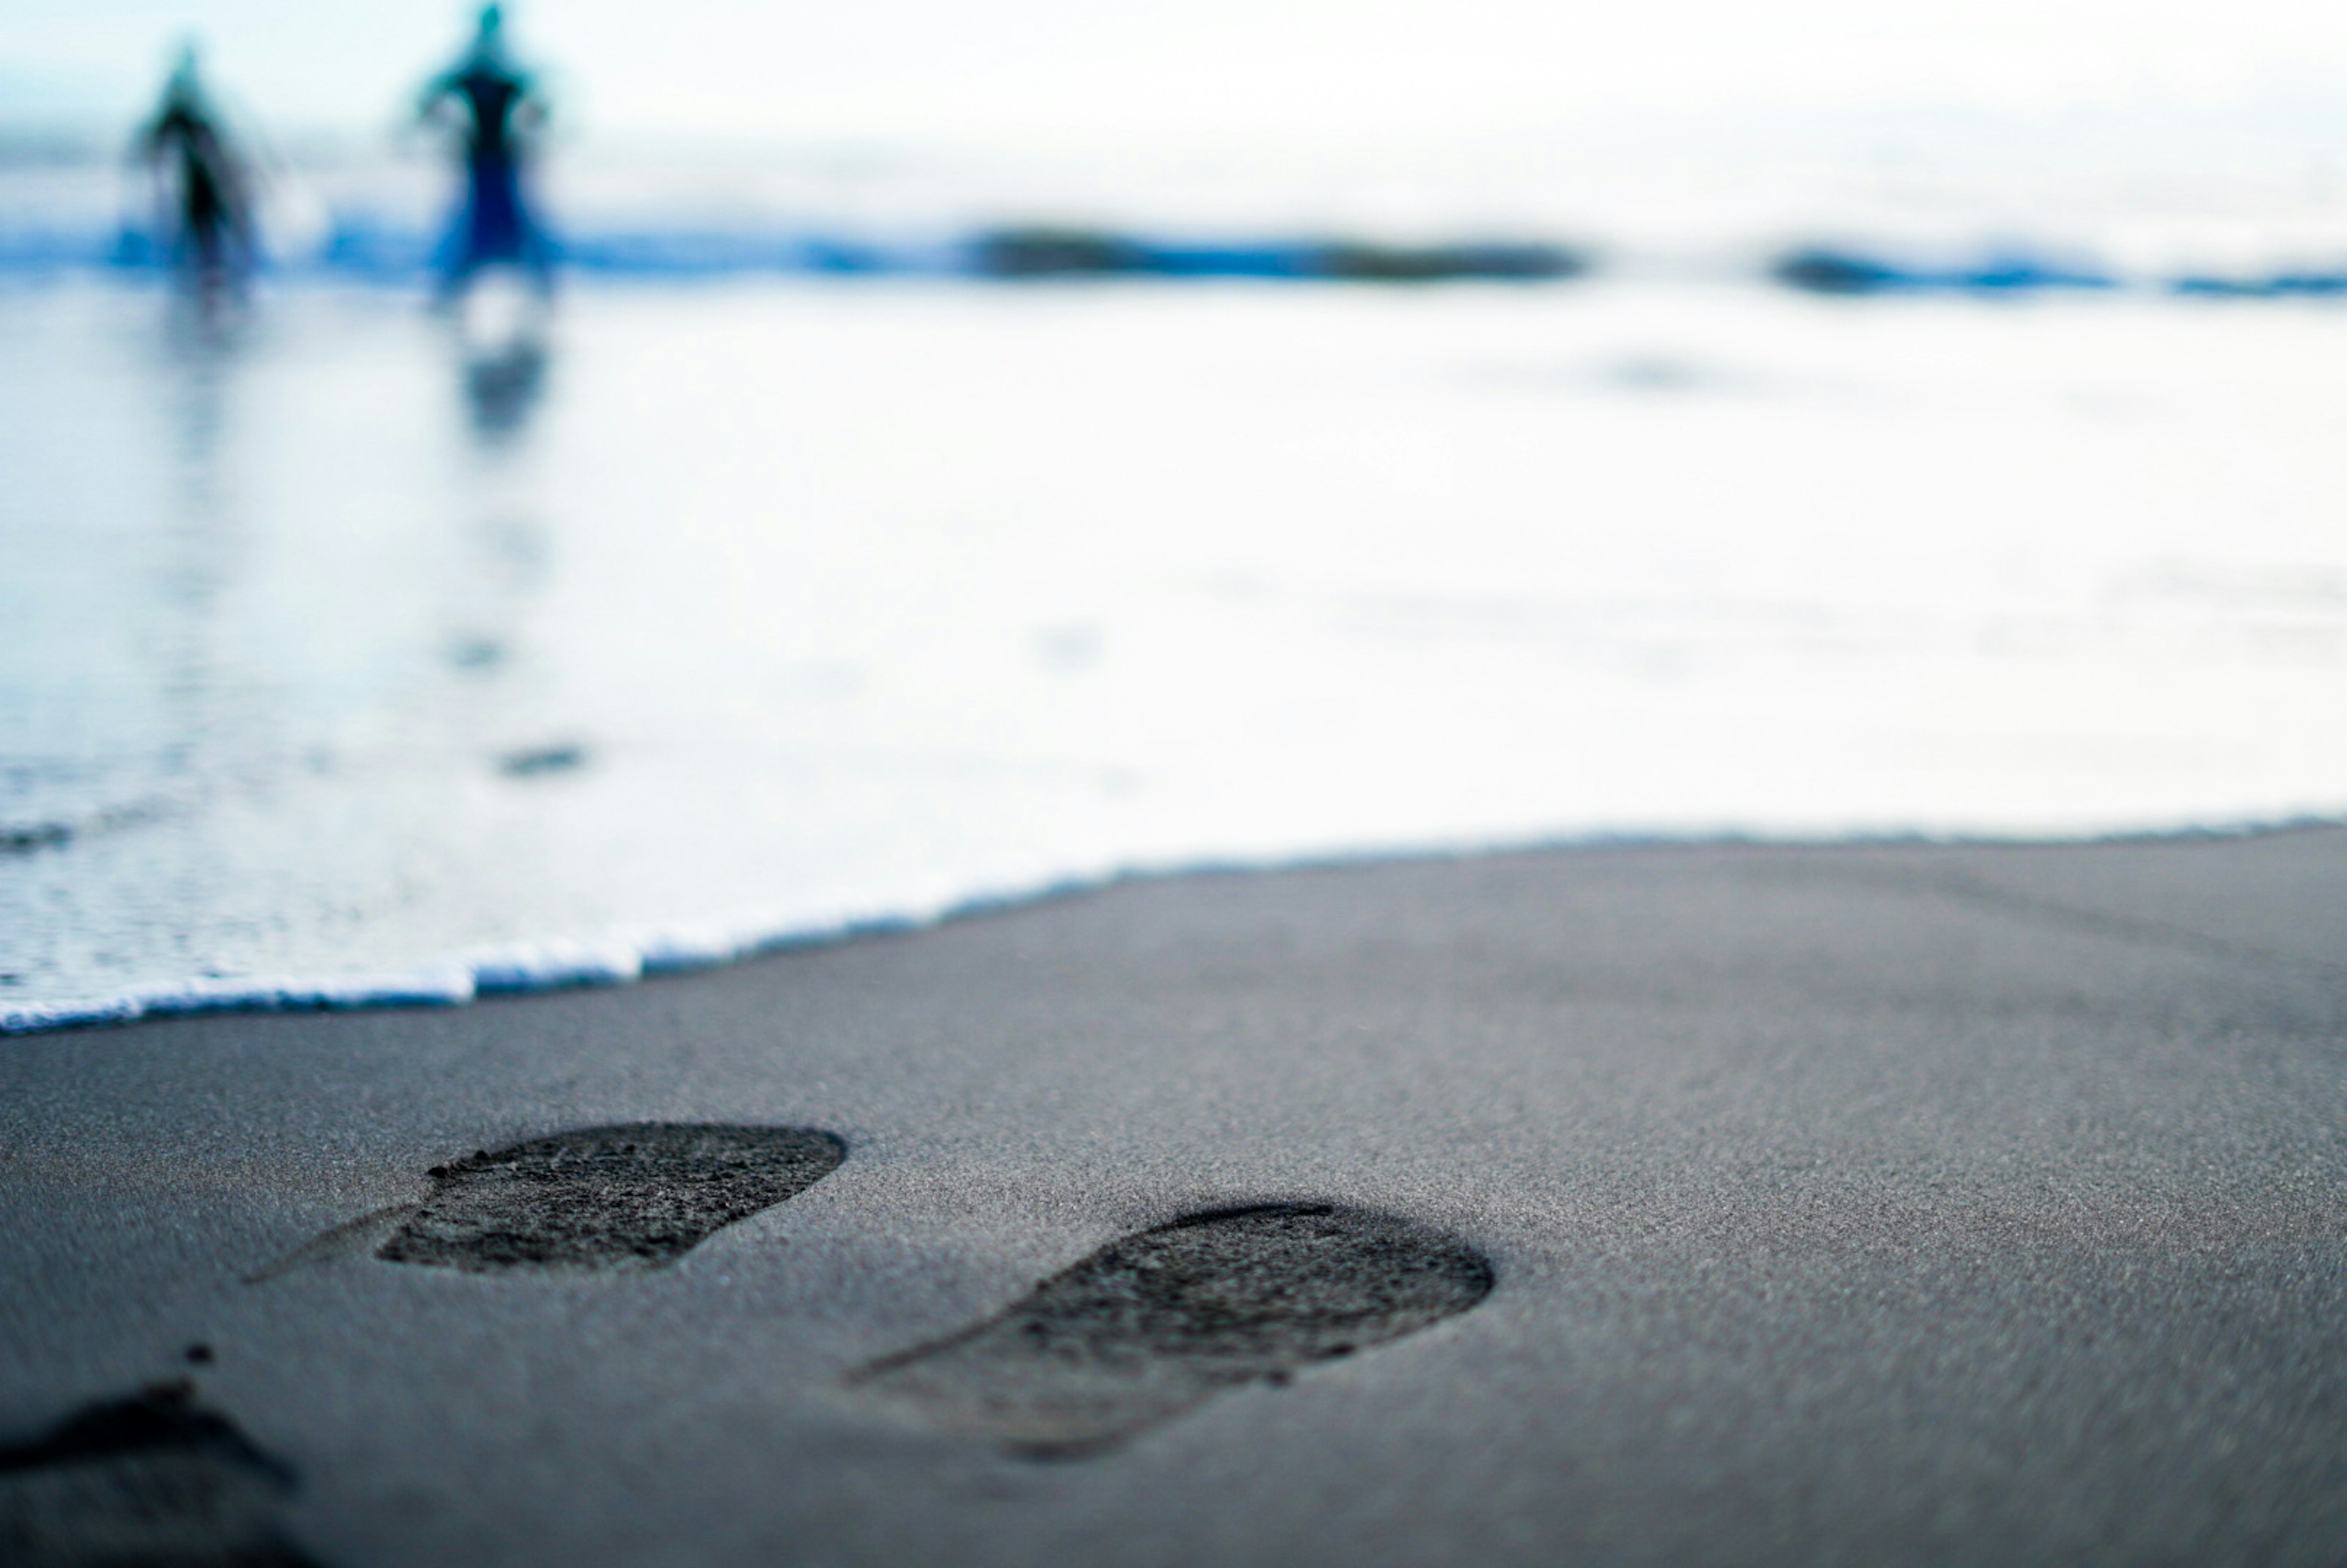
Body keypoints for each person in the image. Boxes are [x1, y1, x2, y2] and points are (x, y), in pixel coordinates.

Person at [417, 5, 554, 300]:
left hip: (499, 160)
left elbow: (426, 104)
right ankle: (453, 297)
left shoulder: (493, 69)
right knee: (487, 227)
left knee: (497, 227)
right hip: (484, 160)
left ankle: (536, 296)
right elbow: (427, 103)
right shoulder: (490, 69)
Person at [137, 46, 254, 292]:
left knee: (207, 237)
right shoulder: (199, 104)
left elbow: (155, 143)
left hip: (208, 183)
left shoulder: (187, 105)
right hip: (208, 183)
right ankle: (221, 281)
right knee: (212, 236)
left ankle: (215, 282)